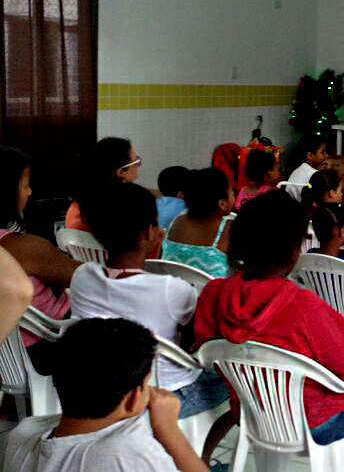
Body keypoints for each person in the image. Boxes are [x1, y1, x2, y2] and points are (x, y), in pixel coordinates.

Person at [193, 191, 344, 454]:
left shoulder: (213, 295)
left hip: (250, 416)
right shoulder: (305, 307)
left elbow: (207, 353)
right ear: (295, 249)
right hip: (316, 425)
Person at [69, 182, 230, 424]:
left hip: (102, 388)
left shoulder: (82, 276)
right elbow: (194, 341)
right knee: (231, 380)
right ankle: (201, 454)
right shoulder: (171, 289)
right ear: (149, 233)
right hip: (164, 392)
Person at [1, 318, 209, 472]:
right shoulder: (129, 455)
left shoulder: (22, 433)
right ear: (134, 398)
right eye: (147, 385)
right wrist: (170, 431)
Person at [0, 146, 80, 374]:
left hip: (8, 354)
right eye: (25, 185)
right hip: (44, 347)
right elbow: (81, 277)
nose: (29, 192)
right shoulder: (21, 246)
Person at [162, 168, 234, 279]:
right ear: (222, 204)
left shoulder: (177, 222)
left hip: (172, 291)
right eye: (232, 192)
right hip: (210, 294)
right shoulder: (229, 229)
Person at [66, 137, 141, 231]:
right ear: (121, 172)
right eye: (136, 162)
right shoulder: (121, 208)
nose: (139, 166)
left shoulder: (79, 203)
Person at [284, 134, 329, 201]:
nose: (327, 155)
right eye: (322, 152)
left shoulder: (300, 169)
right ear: (310, 155)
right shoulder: (314, 174)